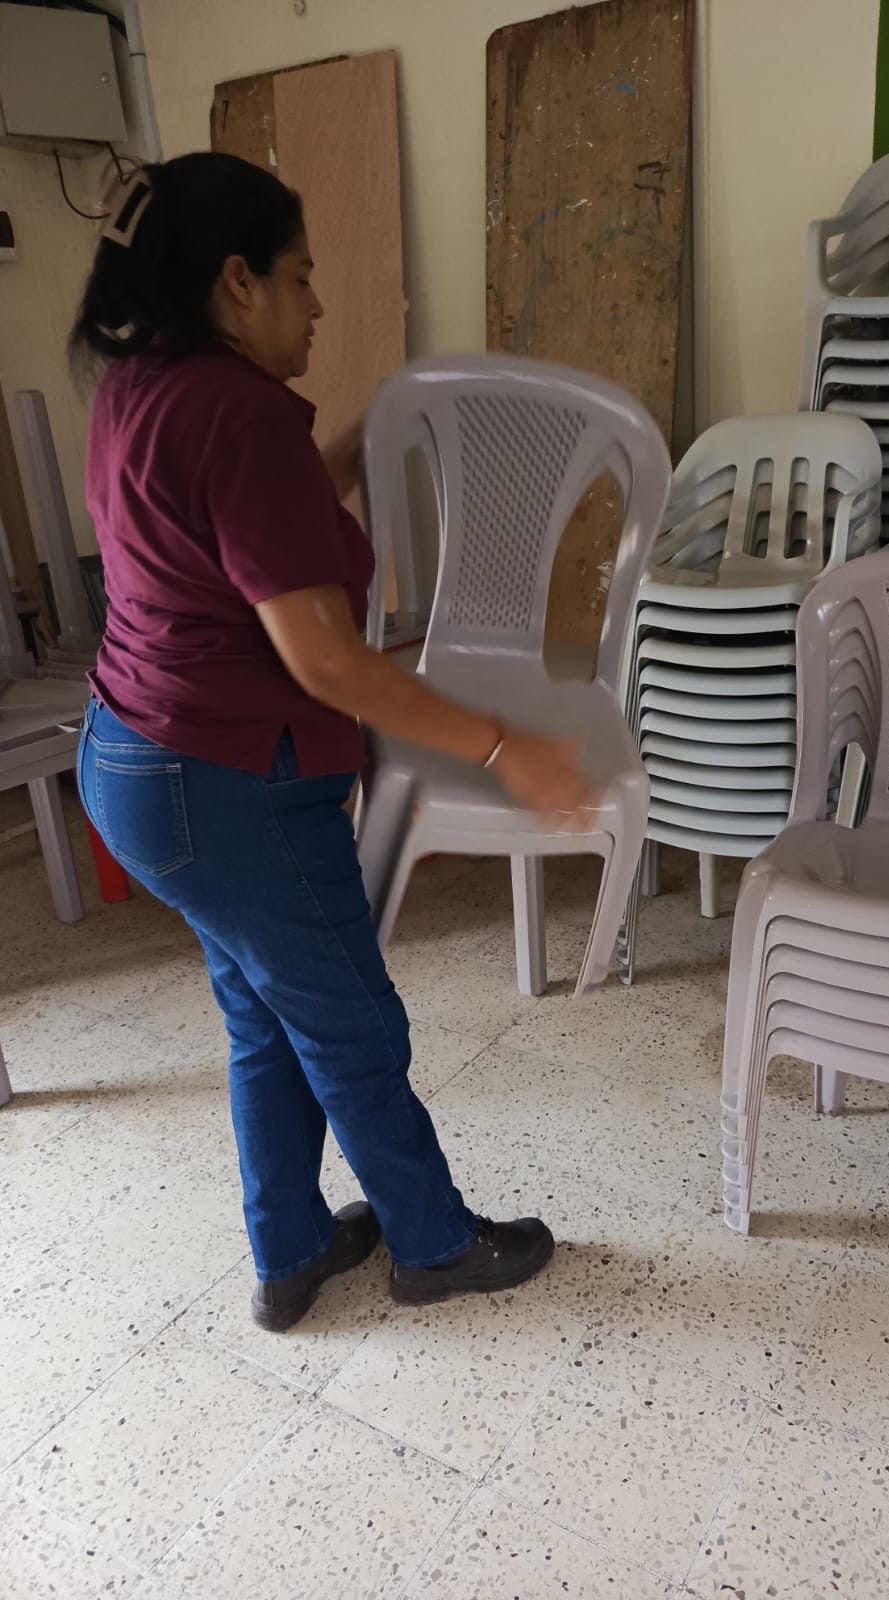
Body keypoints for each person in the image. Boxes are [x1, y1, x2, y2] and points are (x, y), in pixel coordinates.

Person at [71, 152, 594, 1331]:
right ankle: (434, 1244)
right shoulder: (240, 412)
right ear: (237, 280)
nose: (318, 305)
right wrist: (507, 749)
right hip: (227, 784)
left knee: (267, 1013)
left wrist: (372, 429)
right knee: (353, 1023)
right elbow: (328, 661)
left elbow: (253, 518)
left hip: (132, 761)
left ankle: (293, 1249)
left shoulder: (141, 383)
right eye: (301, 278)